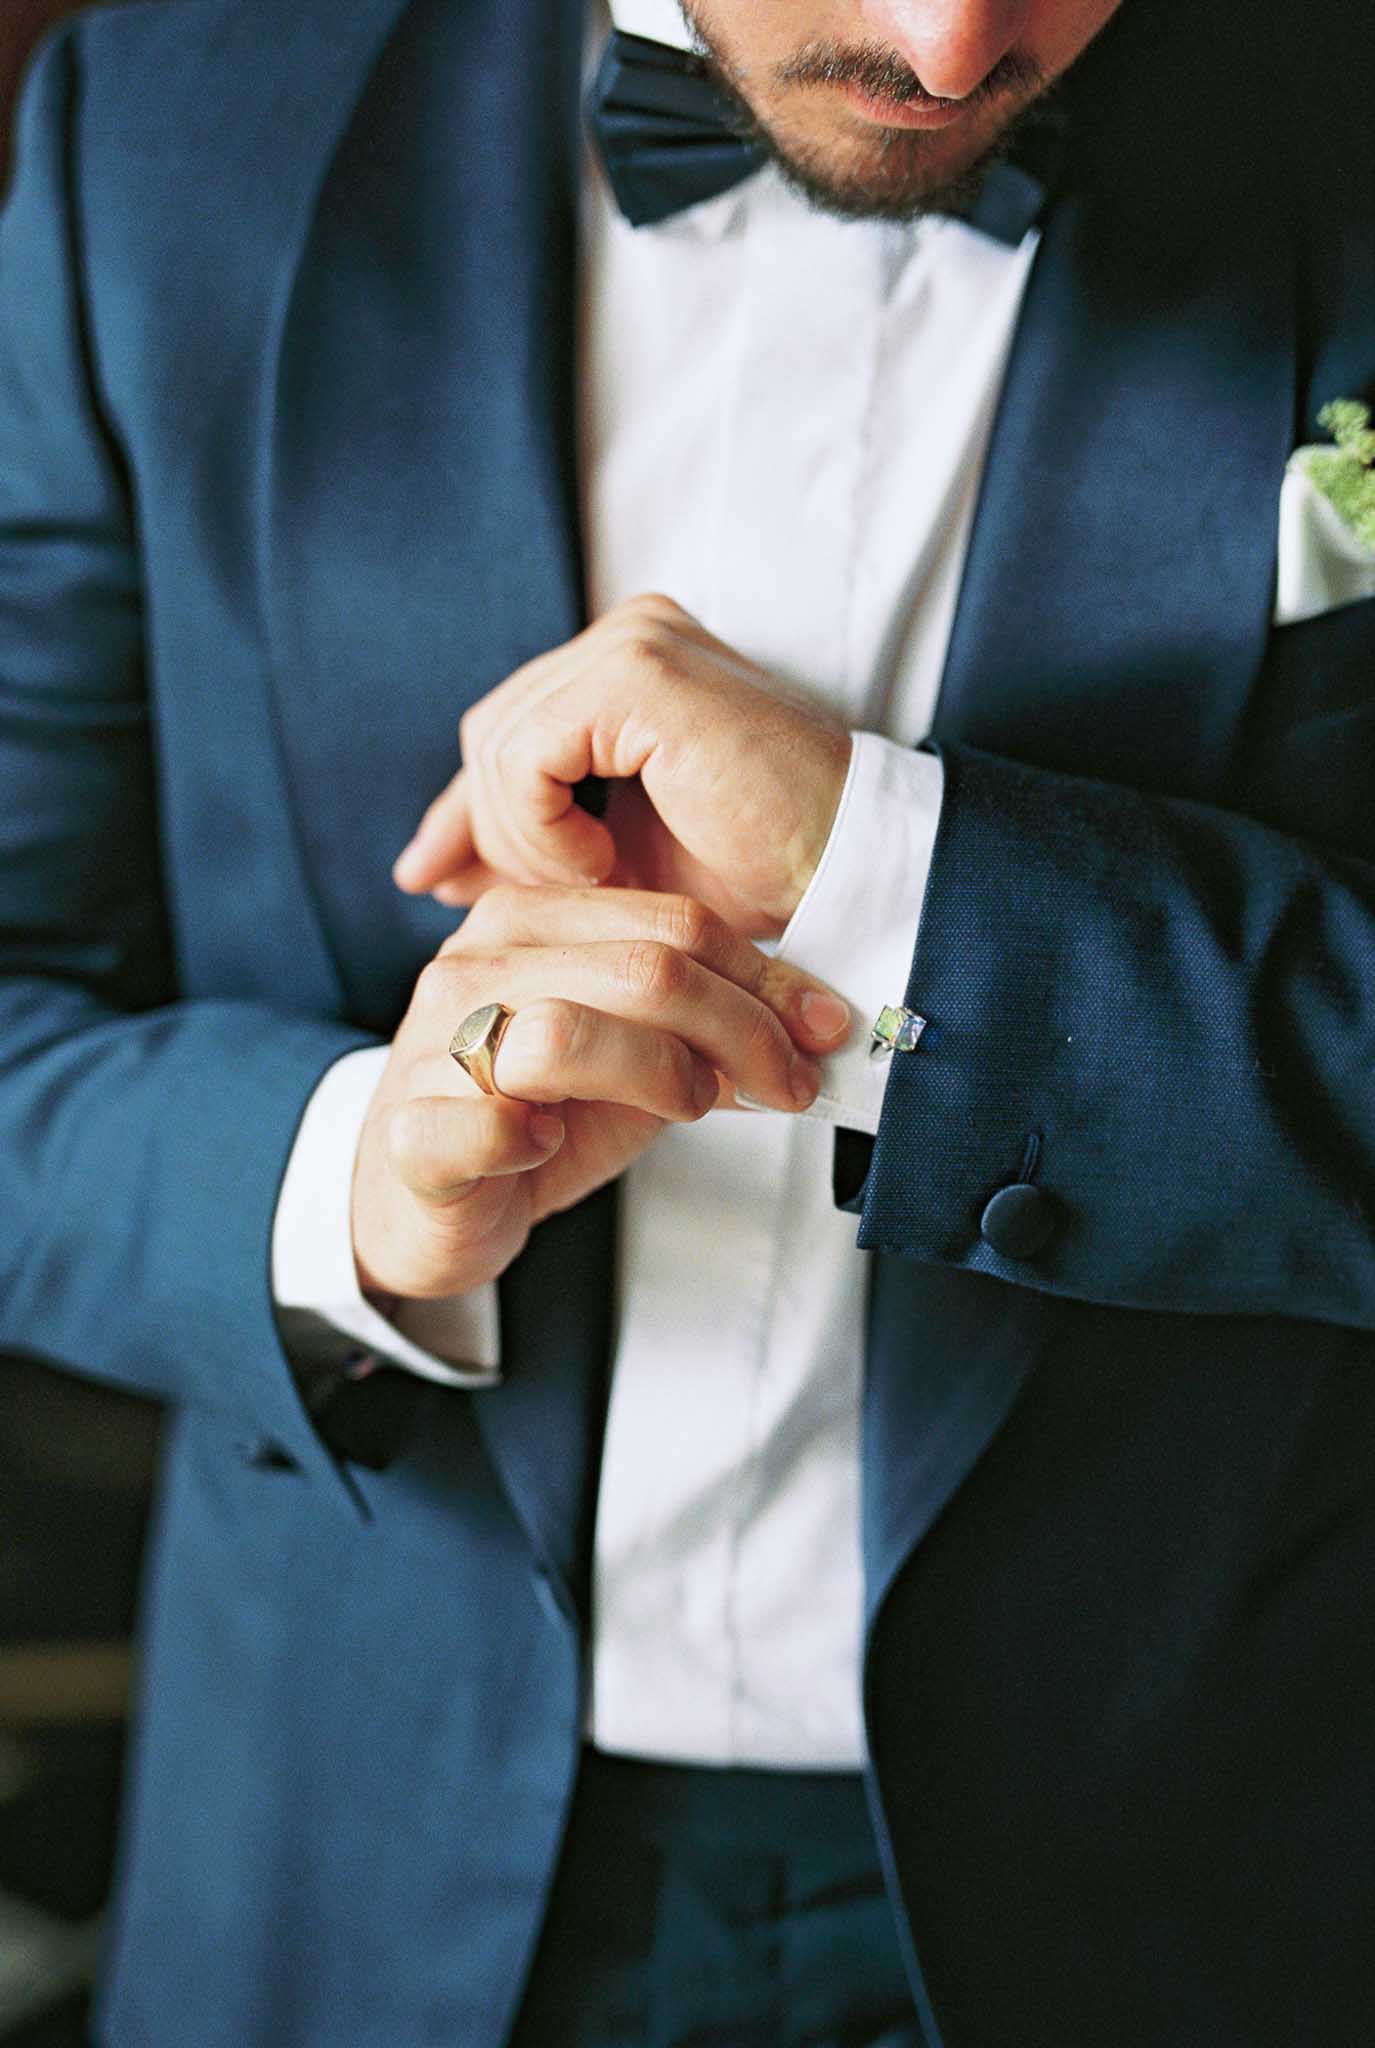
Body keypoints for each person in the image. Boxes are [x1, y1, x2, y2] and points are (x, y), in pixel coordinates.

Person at [1, 0, 1372, 2041]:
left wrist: (893, 874)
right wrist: (344, 1192)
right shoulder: (182, 112)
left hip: (1207, 1880)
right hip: (348, 1876)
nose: (945, 39)